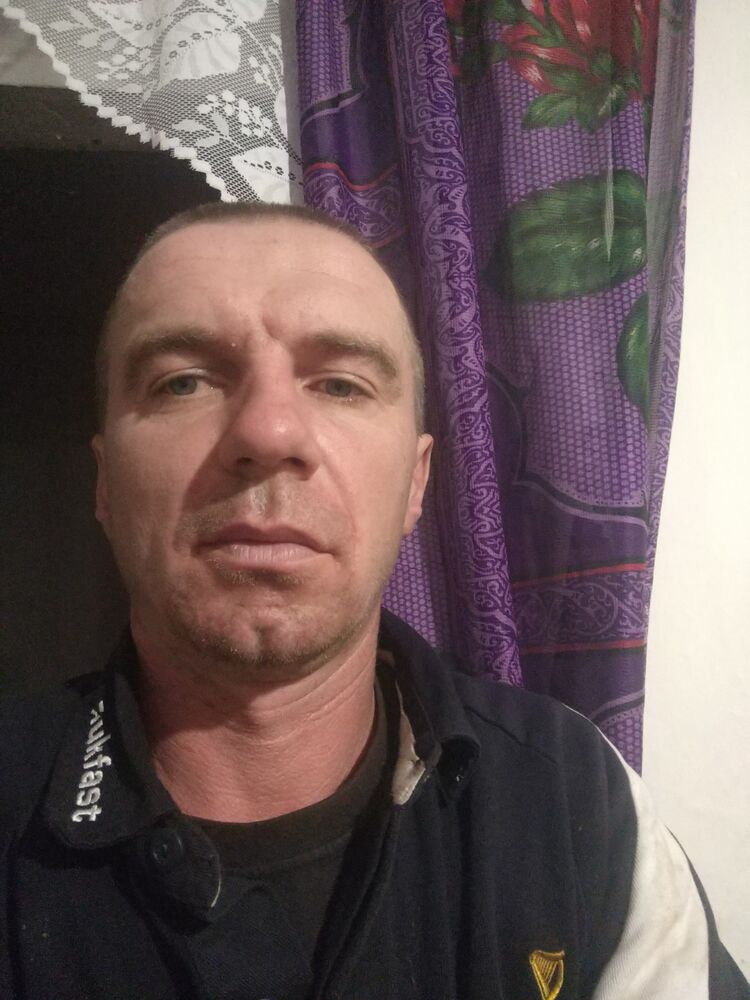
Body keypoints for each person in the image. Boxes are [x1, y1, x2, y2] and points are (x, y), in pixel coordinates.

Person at [1, 202, 747, 1000]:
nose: (269, 432)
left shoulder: (581, 804)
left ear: (416, 483)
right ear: (105, 482)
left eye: (341, 384)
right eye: (183, 380)